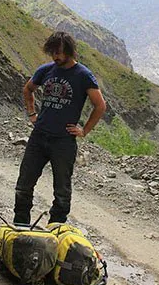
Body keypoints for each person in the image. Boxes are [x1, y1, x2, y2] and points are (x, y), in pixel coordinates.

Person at [14, 31, 107, 225]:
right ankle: (20, 225)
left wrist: (84, 130)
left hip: (63, 142)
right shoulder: (46, 70)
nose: (56, 57)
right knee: (24, 185)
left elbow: (100, 105)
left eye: (59, 52)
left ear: (70, 52)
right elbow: (28, 89)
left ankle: (56, 230)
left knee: (62, 191)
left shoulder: (83, 75)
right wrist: (32, 113)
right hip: (39, 137)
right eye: (53, 52)